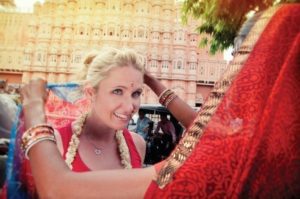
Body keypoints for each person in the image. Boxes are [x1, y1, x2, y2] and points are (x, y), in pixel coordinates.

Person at [15, 4, 300, 198]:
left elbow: (57, 188)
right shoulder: (271, 155)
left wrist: (33, 108)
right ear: (90, 93)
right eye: (117, 91)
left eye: (136, 94)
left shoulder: (136, 146)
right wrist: (145, 80)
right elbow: (206, 128)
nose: (130, 106)